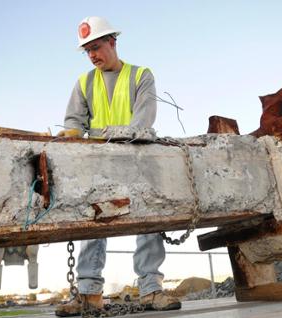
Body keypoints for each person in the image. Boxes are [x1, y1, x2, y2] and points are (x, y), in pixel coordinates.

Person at [55, 16, 181, 317]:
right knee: (93, 221)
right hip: (99, 163)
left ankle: (151, 289)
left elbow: (143, 118)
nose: (93, 55)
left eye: (96, 47)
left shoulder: (141, 76)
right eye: (87, 51)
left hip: (138, 159)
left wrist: (121, 138)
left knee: (148, 220)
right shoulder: (84, 82)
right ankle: (88, 294)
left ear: (113, 42)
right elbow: (74, 123)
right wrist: (71, 133)